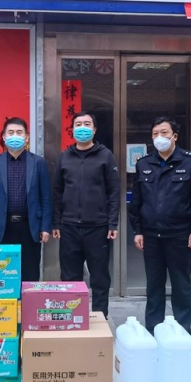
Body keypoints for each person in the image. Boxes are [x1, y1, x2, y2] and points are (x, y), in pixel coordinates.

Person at [128, 116, 191, 335]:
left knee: (181, 284)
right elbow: (136, 201)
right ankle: (153, 329)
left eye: (164, 133)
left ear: (175, 136)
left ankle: (182, 330)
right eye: (155, 134)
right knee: (154, 284)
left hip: (180, 235)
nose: (159, 137)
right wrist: (137, 230)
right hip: (151, 235)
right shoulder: (144, 163)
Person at [52, 111, 120, 317]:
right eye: (78, 124)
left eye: (87, 124)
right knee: (70, 277)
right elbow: (57, 191)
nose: (82, 128)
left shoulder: (105, 155)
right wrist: (56, 222)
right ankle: (73, 317)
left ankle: (100, 317)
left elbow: (113, 191)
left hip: (98, 227)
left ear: (94, 129)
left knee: (99, 277)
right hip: (69, 227)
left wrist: (112, 223)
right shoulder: (64, 156)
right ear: (72, 129)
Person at [0, 117, 52, 281]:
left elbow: (46, 198)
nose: (15, 136)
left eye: (19, 133)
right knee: (3, 275)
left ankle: (28, 299)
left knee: (30, 274)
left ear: (26, 137)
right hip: (3, 227)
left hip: (30, 227)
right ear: (4, 137)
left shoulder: (38, 162)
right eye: (11, 132)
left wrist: (45, 227)